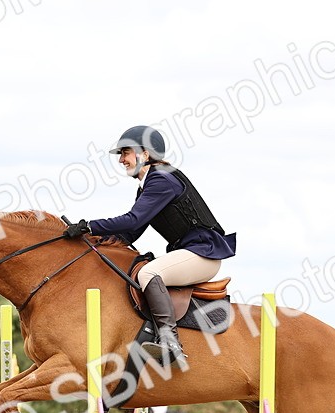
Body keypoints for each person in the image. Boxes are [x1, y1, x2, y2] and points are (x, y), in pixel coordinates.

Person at [63, 125, 236, 366]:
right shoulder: (150, 182)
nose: (122, 159)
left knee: (149, 272)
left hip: (203, 253)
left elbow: (133, 219)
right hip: (193, 252)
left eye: (126, 152)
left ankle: (170, 342)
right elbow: (131, 233)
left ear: (145, 154)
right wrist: (91, 243)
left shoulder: (162, 179)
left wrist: (90, 225)